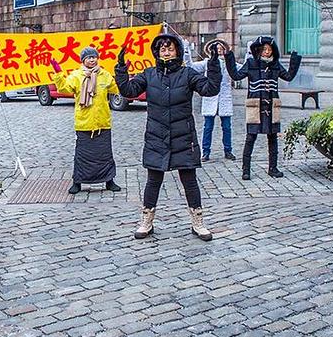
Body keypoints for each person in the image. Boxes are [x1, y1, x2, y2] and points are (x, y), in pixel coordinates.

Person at [116, 33, 221, 241]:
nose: (166, 52)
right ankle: (146, 221)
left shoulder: (187, 74)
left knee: (189, 181)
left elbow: (210, 89)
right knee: (153, 181)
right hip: (157, 136)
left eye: (170, 49)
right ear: (157, 52)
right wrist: (121, 68)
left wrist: (214, 64)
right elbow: (129, 90)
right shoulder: (149, 74)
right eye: (163, 49)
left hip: (184, 136)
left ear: (177, 52)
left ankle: (198, 222)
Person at [225, 36, 301, 180]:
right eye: (264, 49)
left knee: (272, 138)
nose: (267, 52)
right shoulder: (251, 63)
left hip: (271, 105)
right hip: (255, 105)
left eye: (269, 49)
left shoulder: (275, 64)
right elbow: (236, 75)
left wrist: (294, 58)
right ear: (259, 50)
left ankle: (273, 168)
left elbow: (288, 76)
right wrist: (229, 56)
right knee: (250, 138)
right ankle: (246, 170)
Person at [50, 46, 122, 194]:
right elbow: (64, 89)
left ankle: (109, 180)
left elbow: (117, 89)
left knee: (105, 155)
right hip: (84, 124)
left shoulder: (105, 75)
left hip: (102, 123)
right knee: (82, 156)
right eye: (88, 57)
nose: (92, 60)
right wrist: (58, 73)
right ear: (83, 60)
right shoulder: (76, 76)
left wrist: (122, 72)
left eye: (94, 57)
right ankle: (77, 182)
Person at [189, 39, 236, 163]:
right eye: (217, 49)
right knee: (208, 127)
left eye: (221, 49)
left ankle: (228, 150)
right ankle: (206, 152)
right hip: (210, 98)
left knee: (227, 127)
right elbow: (191, 67)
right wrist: (187, 51)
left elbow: (243, 70)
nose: (219, 51)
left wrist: (249, 55)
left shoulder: (229, 63)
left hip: (224, 99)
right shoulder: (206, 62)